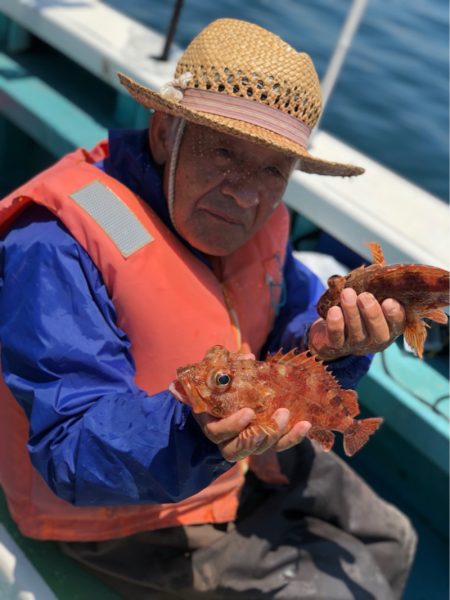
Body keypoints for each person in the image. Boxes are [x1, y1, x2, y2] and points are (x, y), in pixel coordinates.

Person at [0, 18, 416, 600]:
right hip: (124, 515)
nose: (245, 194)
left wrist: (332, 343)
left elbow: (286, 321)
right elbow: (72, 448)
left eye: (273, 168)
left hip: (244, 448)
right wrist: (196, 429)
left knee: (392, 539)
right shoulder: (54, 242)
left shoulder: (261, 219)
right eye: (224, 151)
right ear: (168, 130)